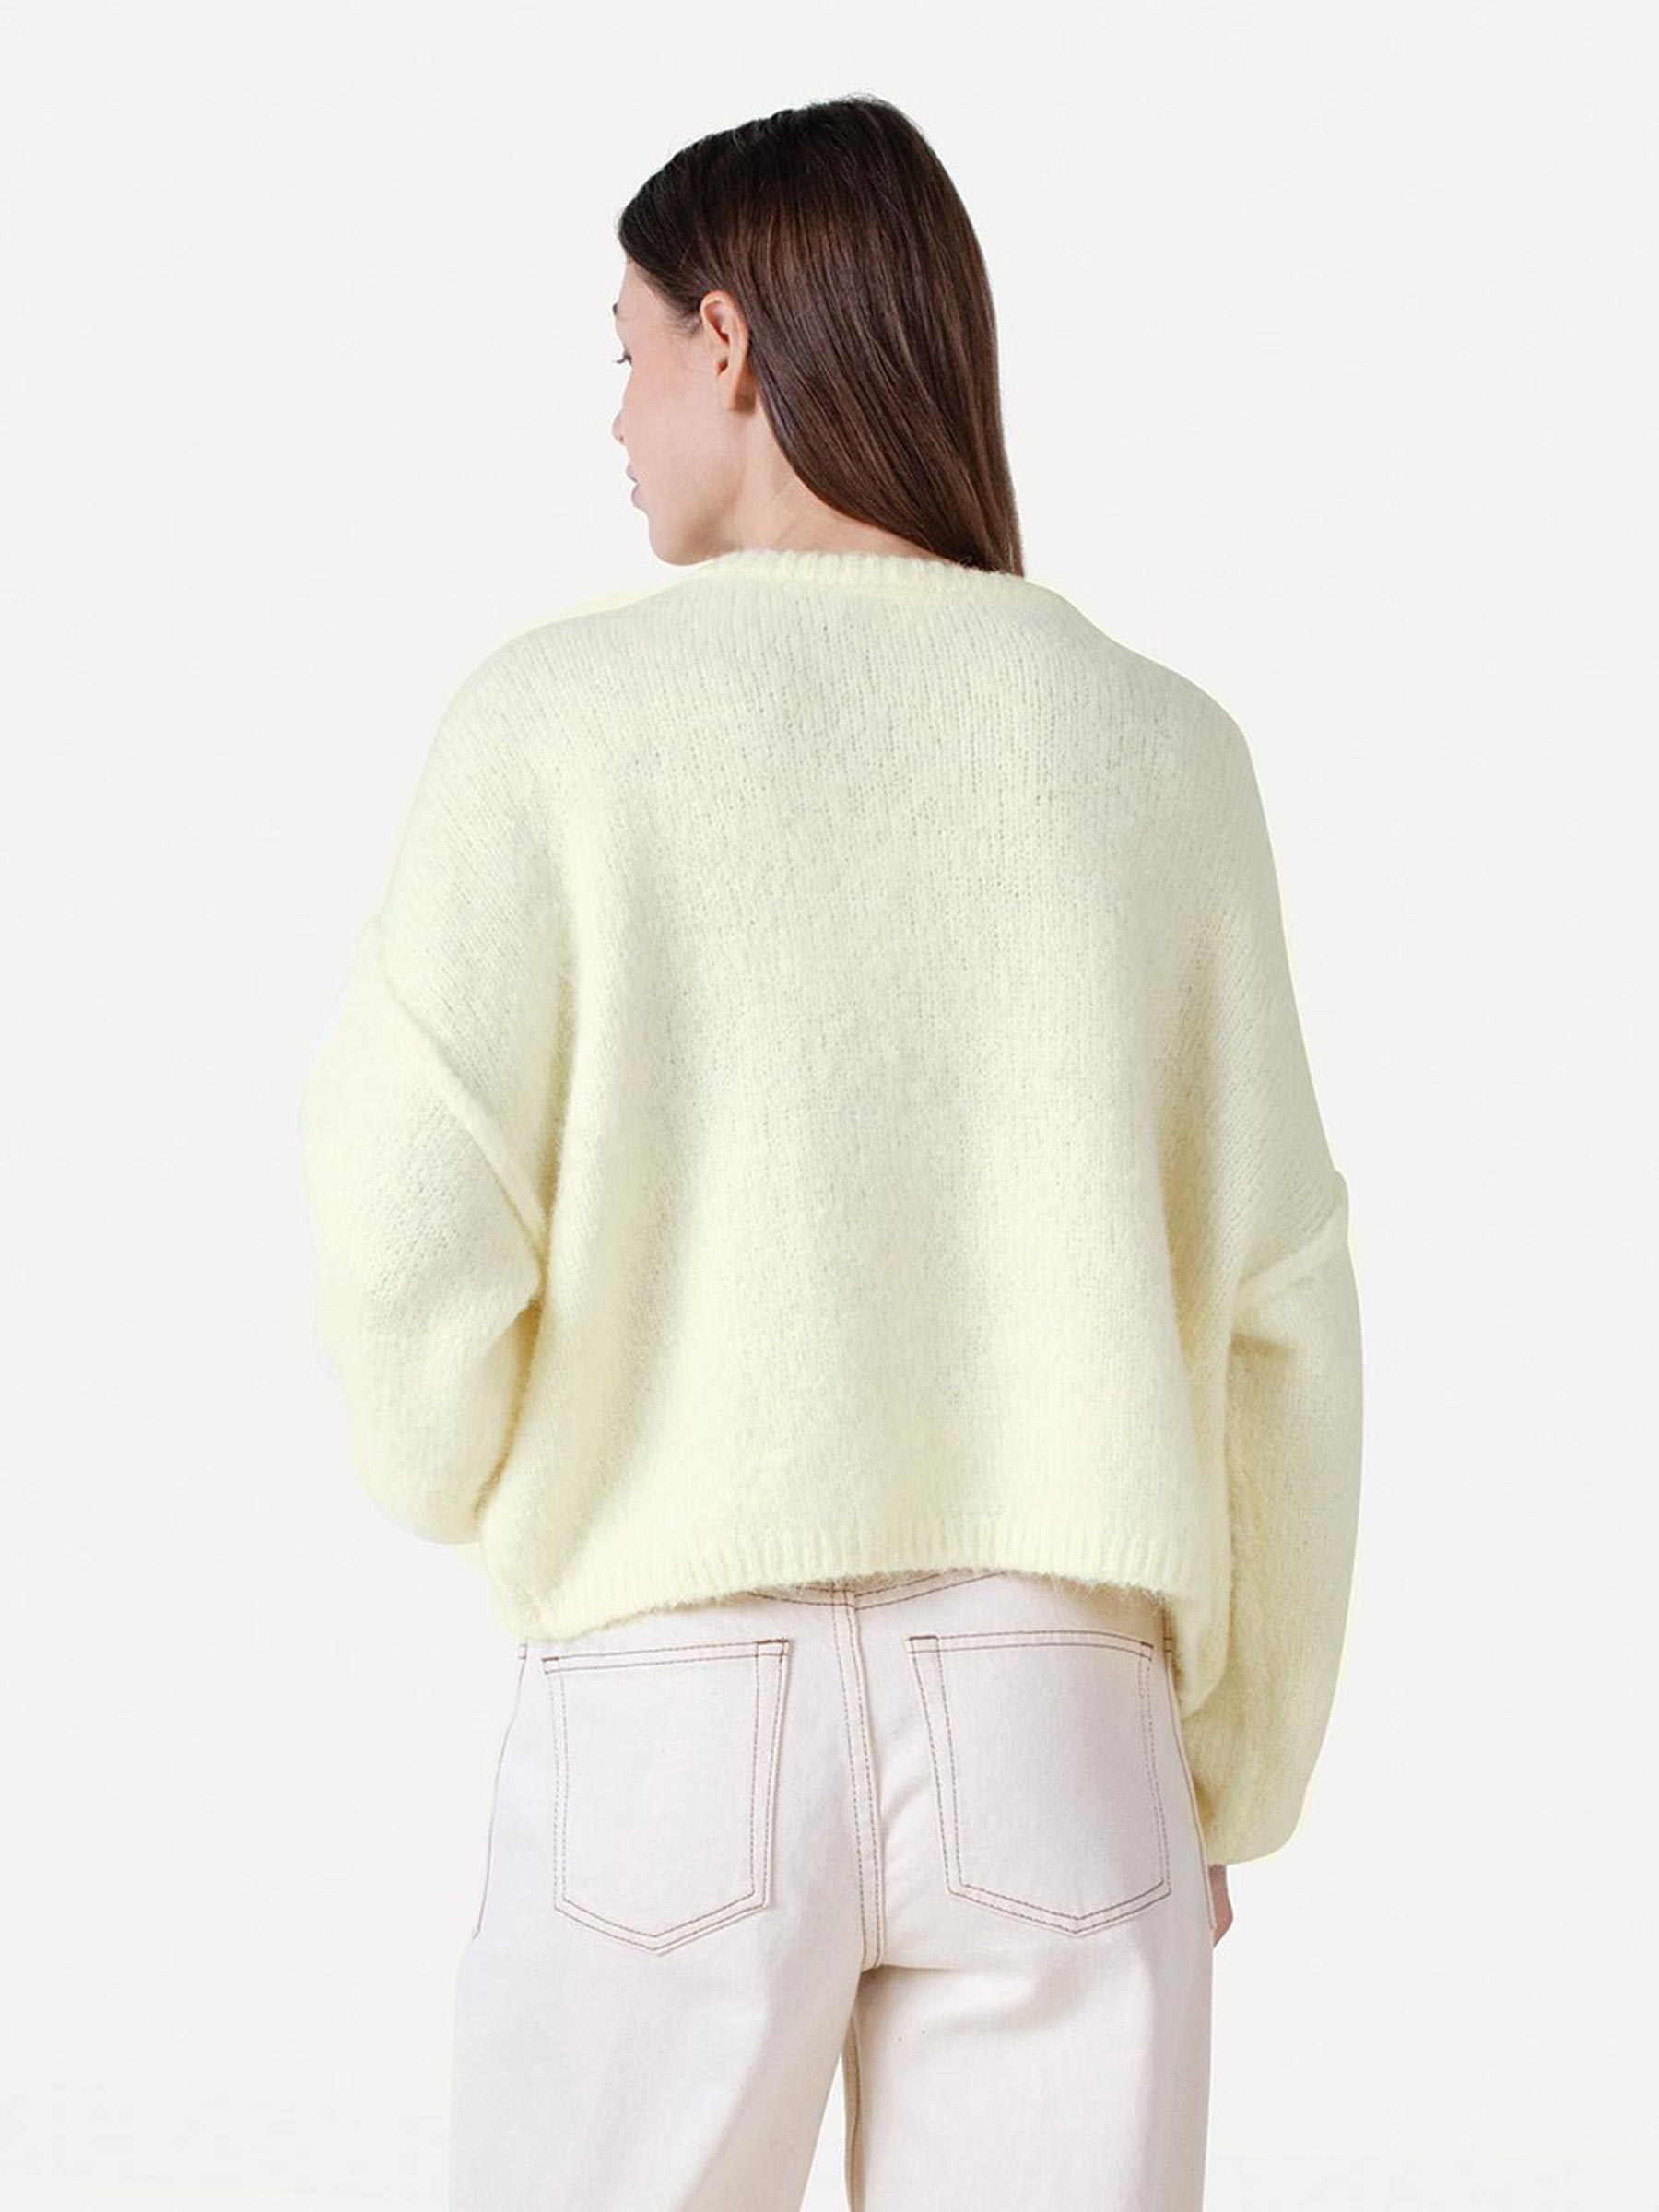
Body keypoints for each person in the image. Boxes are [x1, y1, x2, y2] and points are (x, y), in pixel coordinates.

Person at [299, 93, 1363, 2212]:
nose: (613, 414)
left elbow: (403, 1233)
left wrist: (515, 1491)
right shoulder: (1161, 751)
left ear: (729, 341)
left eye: (622, 347)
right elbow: (1279, 1312)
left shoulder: (554, 725)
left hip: (671, 1696)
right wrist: (1229, 1767)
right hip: (1063, 1705)